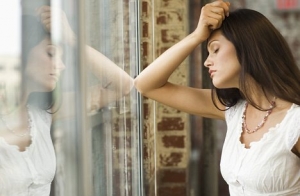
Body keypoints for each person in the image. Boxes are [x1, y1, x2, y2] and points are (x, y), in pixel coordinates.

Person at [134, 0, 300, 195]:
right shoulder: (235, 110)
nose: (206, 62)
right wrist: (197, 36)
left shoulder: (294, 123)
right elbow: (145, 85)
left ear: (246, 47)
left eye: (215, 49)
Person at [0, 5, 133, 196]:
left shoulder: (41, 115)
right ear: (22, 51)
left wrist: (71, 38)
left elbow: (123, 86)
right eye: (51, 54)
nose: (61, 66)